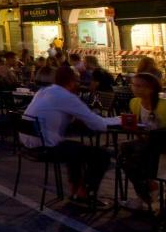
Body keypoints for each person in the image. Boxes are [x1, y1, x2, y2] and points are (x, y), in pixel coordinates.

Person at [20, 65, 117, 205]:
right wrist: (118, 120)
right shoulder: (66, 96)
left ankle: (75, 190)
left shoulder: (43, 91)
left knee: (75, 149)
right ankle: (85, 194)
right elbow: (99, 124)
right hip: (46, 148)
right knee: (101, 155)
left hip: (28, 144)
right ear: (72, 82)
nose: (80, 85)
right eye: (78, 81)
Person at [119, 72, 166, 210]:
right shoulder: (134, 103)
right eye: (133, 84)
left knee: (137, 157)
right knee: (125, 153)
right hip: (148, 144)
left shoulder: (163, 105)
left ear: (151, 88)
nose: (134, 88)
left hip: (162, 145)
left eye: (139, 86)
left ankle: (148, 194)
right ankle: (149, 193)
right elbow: (138, 128)